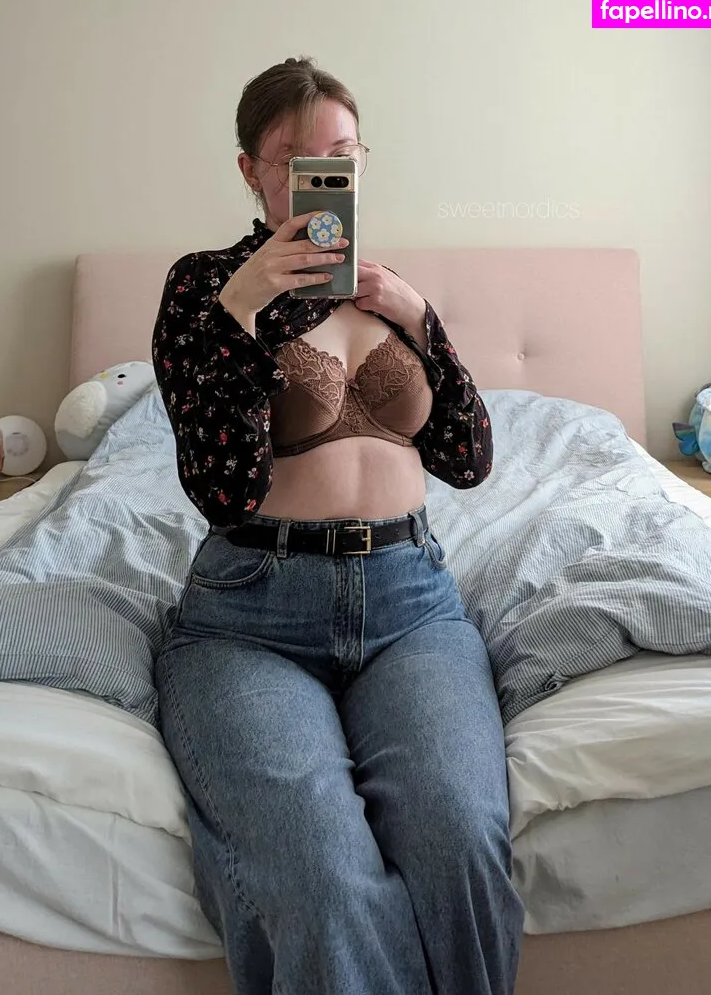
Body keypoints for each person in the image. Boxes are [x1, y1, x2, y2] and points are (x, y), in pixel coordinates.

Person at [152, 56, 524, 995]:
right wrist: (242, 311)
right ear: (251, 170)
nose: (329, 179)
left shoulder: (391, 293)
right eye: (300, 161)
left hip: (411, 607)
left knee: (462, 838)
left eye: (345, 158)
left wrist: (420, 318)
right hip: (251, 618)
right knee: (321, 876)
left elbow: (469, 459)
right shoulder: (204, 289)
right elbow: (224, 491)